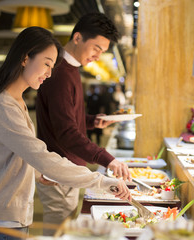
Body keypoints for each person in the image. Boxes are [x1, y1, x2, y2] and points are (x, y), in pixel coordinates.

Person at [0, 26, 131, 240]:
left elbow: (17, 153)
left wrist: (39, 174)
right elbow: (41, 155)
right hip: (1, 221)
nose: (48, 73)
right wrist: (100, 181)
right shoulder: (3, 108)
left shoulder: (16, 102)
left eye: (52, 67)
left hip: (12, 216)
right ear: (25, 58)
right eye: (46, 64)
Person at [35, 13, 131, 235]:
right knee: (59, 232)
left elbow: (68, 119)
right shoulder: (59, 73)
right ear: (77, 37)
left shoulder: (72, 68)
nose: (98, 56)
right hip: (57, 170)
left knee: (65, 227)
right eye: (96, 48)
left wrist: (93, 121)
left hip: (68, 168)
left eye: (103, 51)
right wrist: (108, 159)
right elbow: (66, 132)